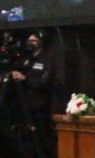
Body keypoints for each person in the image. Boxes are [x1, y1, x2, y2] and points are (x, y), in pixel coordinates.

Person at [7, 30, 57, 158]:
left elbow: (45, 83)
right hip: (25, 105)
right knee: (27, 141)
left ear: (40, 41)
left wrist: (26, 79)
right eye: (29, 41)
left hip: (41, 107)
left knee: (42, 140)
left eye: (33, 40)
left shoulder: (47, 59)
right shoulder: (27, 59)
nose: (31, 43)